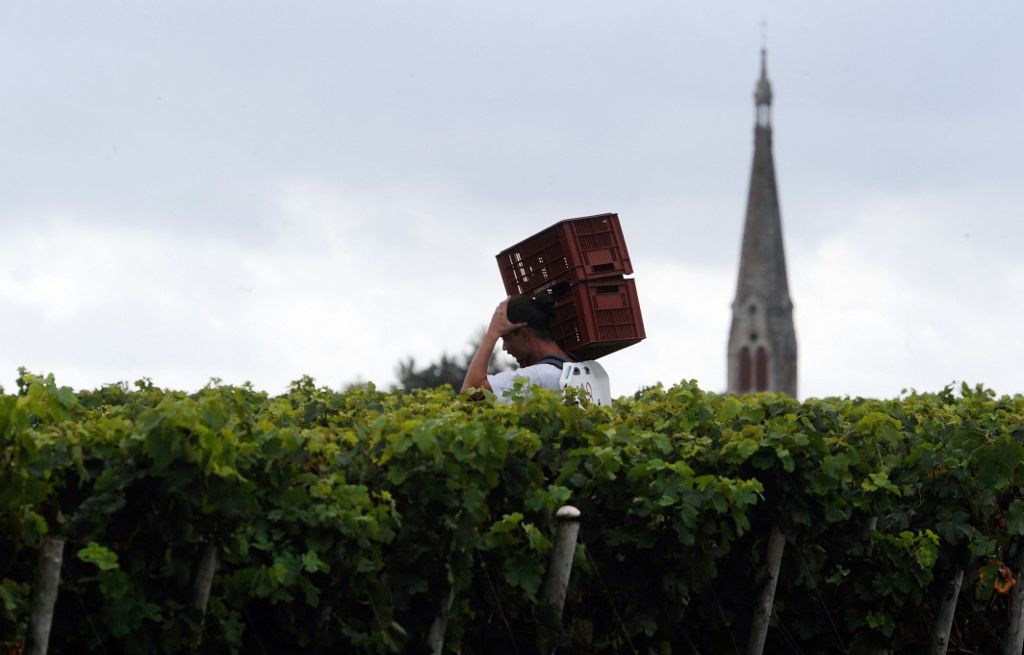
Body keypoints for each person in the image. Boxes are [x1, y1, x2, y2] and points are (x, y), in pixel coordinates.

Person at [460, 293, 573, 399]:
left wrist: (491, 334)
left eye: (506, 339)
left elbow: (469, 391)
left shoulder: (539, 376)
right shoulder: (575, 364)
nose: (505, 348)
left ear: (524, 334)